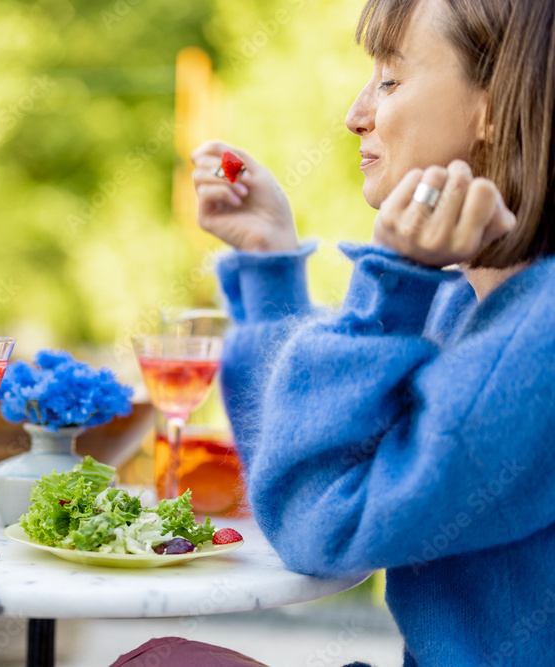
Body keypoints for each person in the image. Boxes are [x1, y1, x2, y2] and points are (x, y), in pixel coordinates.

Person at [185, 0, 555, 664]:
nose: (357, 114)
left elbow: (318, 521)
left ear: (493, 104)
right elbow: (296, 471)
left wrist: (391, 281)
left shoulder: (536, 340)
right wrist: (271, 262)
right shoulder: (470, 301)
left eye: (390, 79)